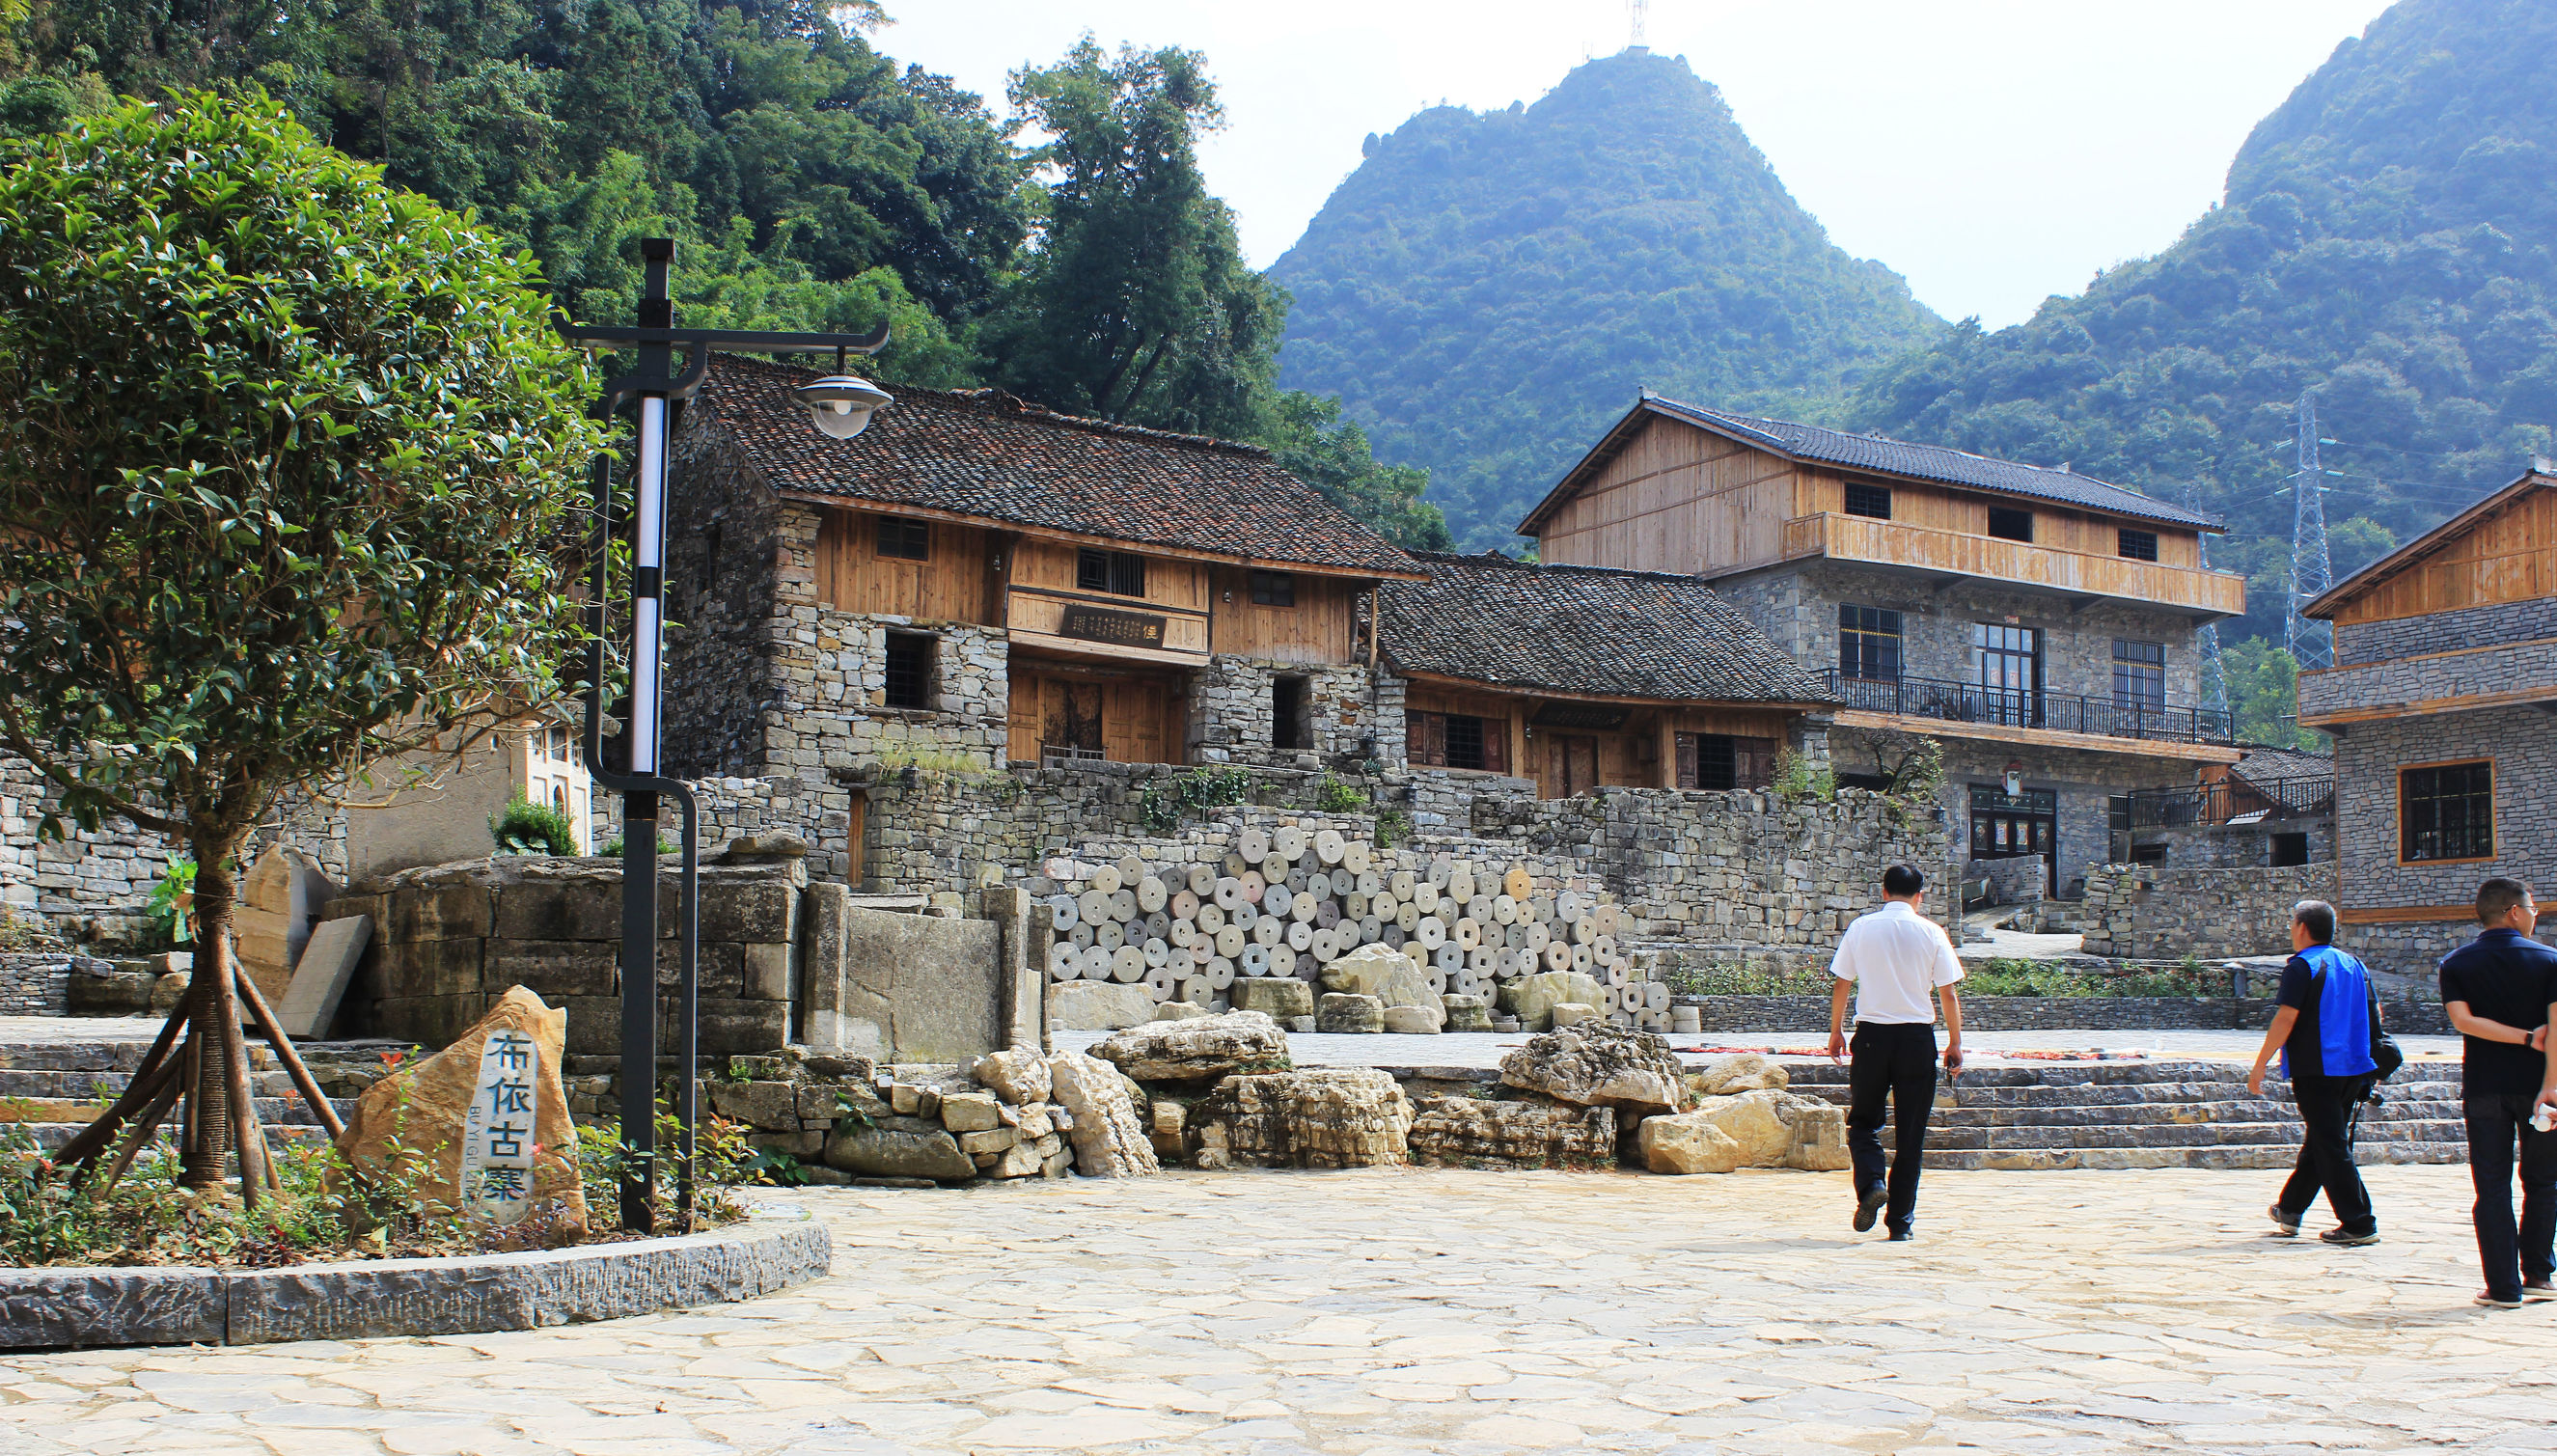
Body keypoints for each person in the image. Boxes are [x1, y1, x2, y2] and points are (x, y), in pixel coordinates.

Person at [1828, 864, 1965, 1242]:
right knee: (1911, 1135)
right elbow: (1948, 993)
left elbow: (1843, 982)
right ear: (1920, 895)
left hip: (1871, 1037)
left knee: (1864, 1123)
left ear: (1884, 891)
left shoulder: (1862, 928)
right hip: (1917, 1040)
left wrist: (1836, 1030)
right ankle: (1900, 1224)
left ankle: (1871, 1183)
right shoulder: (1932, 932)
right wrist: (1955, 1041)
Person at [2437, 877, 2557, 1308]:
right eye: (2532, 907)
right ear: (2513, 911)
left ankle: (2503, 1287)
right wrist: (2550, 1085)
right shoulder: (2550, 960)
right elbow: (2556, 1028)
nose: (2536, 913)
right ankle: (2539, 1275)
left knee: (2491, 1187)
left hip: (2485, 1088)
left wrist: (2523, 1038)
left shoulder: (2456, 964)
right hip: (2540, 1089)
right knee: (2543, 1181)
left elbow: (2463, 1022)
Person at [2248, 900, 2381, 1247]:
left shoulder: (2301, 966)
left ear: (2303, 927)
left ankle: (2359, 1222)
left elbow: (2286, 1018)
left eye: (2293, 923)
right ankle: (2290, 1209)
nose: (2292, 930)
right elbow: (2375, 1013)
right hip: (2354, 1067)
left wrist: (2261, 1063)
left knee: (2330, 1143)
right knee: (2323, 1138)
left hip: (2316, 1068)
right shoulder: (2354, 964)